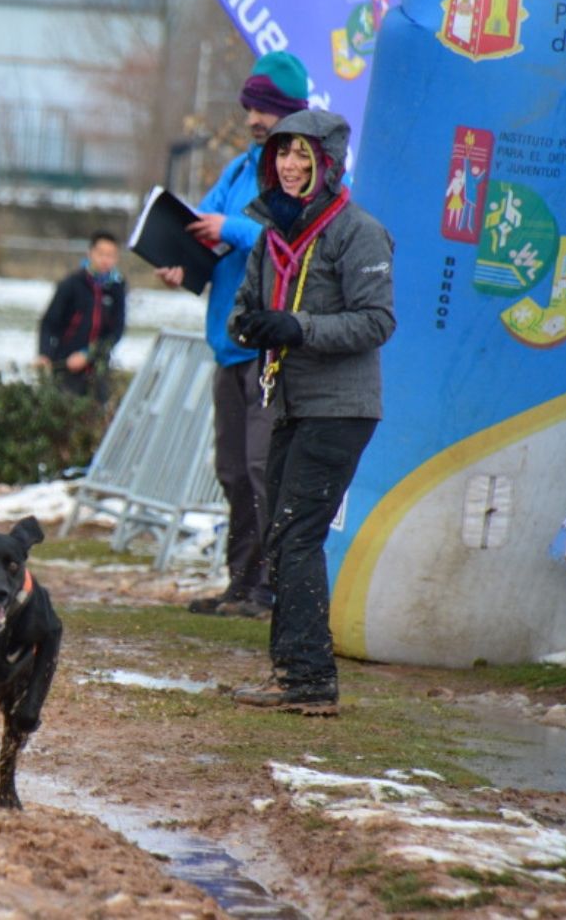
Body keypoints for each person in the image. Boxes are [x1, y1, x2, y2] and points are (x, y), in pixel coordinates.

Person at [228, 108, 394, 715]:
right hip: (290, 402)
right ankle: (290, 673)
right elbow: (247, 306)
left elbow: (378, 321)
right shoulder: (274, 232)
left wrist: (297, 326)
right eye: (282, 154)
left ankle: (310, 681)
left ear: (327, 164)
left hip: (342, 408)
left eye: (303, 156)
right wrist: (248, 325)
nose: (290, 167)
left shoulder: (357, 231)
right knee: (282, 535)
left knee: (296, 534)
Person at [159, 51, 310, 619]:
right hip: (227, 342)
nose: (254, 118)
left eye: (265, 109)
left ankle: (272, 588)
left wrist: (234, 227)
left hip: (269, 347)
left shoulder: (299, 169)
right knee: (230, 469)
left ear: (290, 113)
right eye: (251, 107)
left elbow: (291, 238)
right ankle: (241, 583)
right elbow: (208, 230)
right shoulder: (240, 167)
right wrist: (181, 261)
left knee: (261, 466)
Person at [34, 230, 126, 404]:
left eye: (111, 255)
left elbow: (117, 331)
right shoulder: (71, 284)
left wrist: (89, 355)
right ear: (90, 253)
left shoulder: (117, 288)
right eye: (101, 254)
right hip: (65, 365)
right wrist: (44, 353)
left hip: (98, 368)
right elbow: (49, 323)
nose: (105, 260)